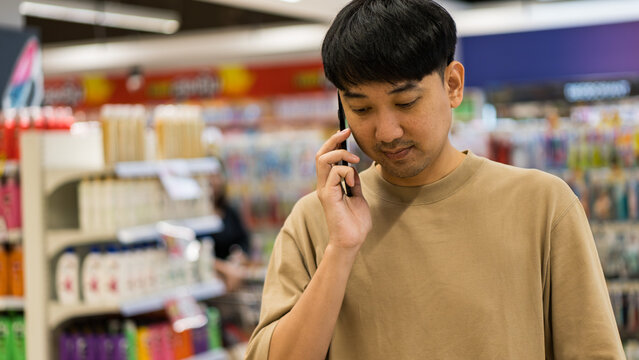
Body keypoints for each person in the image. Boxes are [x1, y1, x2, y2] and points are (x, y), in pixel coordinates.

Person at [246, 0, 624, 359]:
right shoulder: (316, 221)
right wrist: (341, 250)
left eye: (406, 102)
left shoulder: (542, 204)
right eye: (361, 109)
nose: (387, 132)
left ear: (452, 85)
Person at [202, 161, 251, 291]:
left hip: (232, 275)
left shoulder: (230, 211)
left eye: (217, 175)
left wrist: (239, 254)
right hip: (209, 278)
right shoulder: (196, 217)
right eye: (210, 176)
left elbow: (243, 239)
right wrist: (222, 267)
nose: (214, 181)